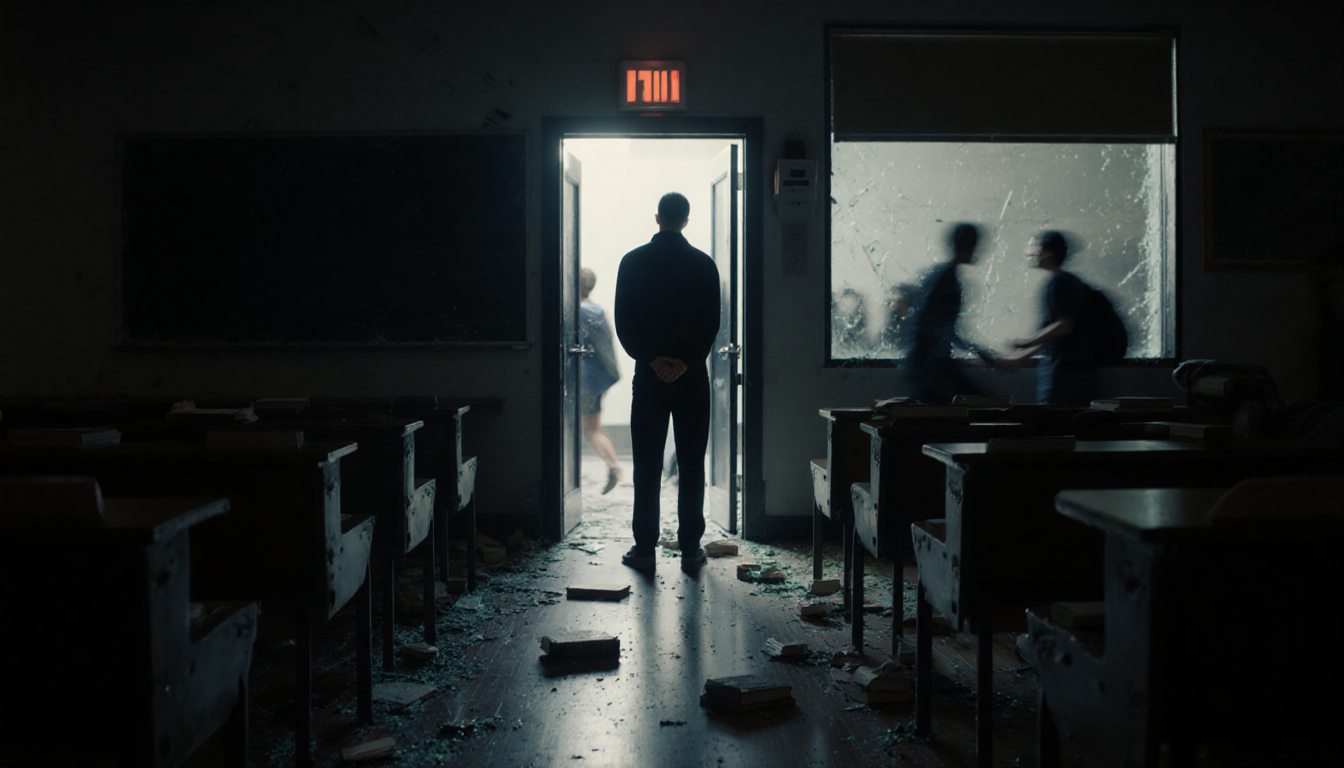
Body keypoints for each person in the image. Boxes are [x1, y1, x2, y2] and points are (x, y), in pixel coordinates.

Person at [613, 192, 721, 572]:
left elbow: (624, 323)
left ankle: (645, 547)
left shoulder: (632, 262)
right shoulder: (704, 265)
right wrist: (686, 362)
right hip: (691, 378)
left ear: (657, 218)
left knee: (646, 463)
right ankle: (691, 548)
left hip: (649, 378)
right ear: (686, 221)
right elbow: (711, 326)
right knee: (691, 462)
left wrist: (654, 359)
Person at [902, 222, 997, 402]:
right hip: (930, 366)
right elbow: (936, 326)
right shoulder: (946, 280)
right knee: (979, 405)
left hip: (927, 364)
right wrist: (978, 351)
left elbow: (935, 324)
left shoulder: (940, 275)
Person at [1007, 230, 1098, 405]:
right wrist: (1024, 356)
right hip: (1077, 372)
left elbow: (1064, 326)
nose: (1029, 252)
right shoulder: (1071, 282)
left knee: (1053, 422)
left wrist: (1028, 342)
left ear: (1047, 252)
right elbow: (1055, 336)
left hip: (1063, 374)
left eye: (1034, 247)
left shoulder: (1058, 283)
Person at [578, 267, 622, 494]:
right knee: (591, 427)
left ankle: (614, 467)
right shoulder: (595, 309)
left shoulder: (579, 311)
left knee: (591, 430)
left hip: (587, 380)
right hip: (599, 378)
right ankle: (614, 467)